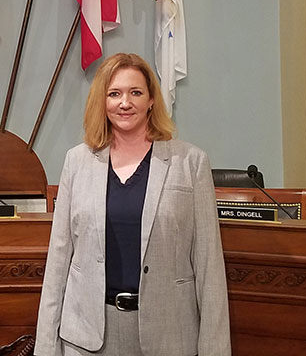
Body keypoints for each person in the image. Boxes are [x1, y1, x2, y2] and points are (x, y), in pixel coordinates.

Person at [35, 53, 231, 355]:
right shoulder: (77, 161)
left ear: (152, 99)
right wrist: (46, 347)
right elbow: (59, 260)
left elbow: (209, 266)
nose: (125, 103)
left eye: (135, 92)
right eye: (114, 94)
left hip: (168, 335)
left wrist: (214, 349)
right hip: (88, 336)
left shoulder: (190, 162)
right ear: (103, 101)